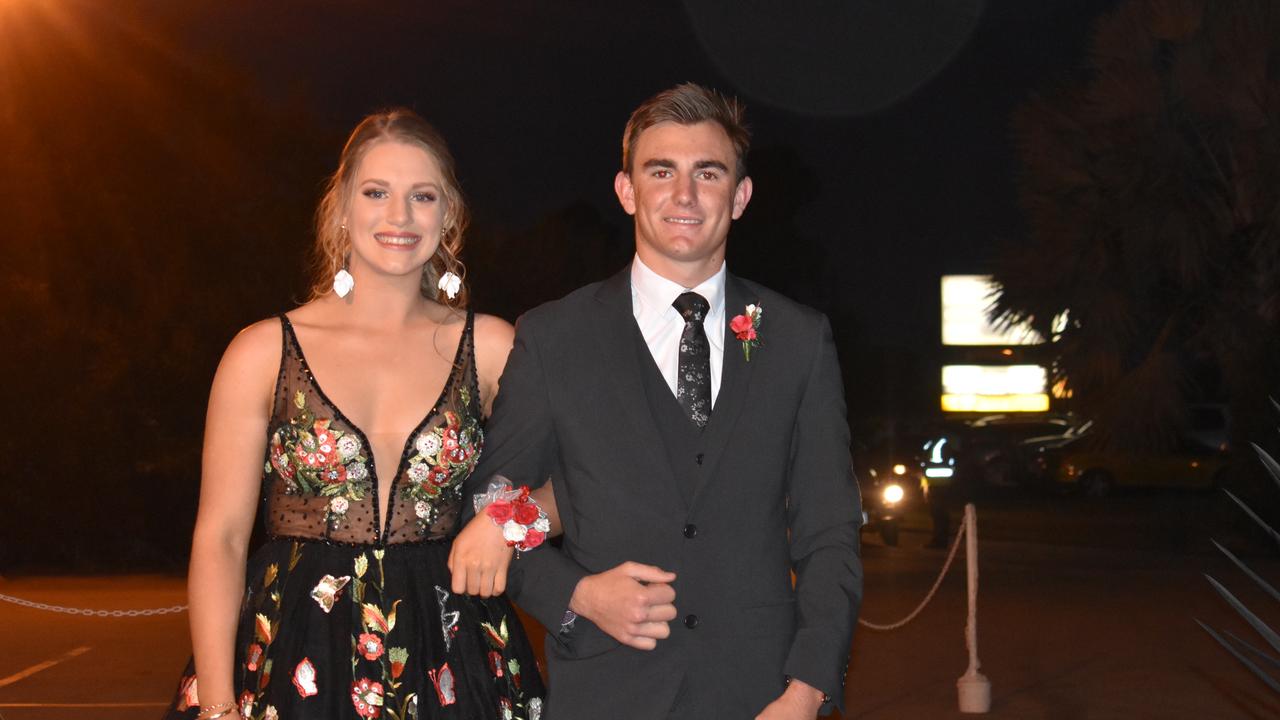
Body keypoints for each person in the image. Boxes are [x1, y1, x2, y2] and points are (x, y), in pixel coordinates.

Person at [449, 84, 863, 719]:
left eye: (709, 173)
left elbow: (829, 532)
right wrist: (577, 593)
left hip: (760, 694)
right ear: (627, 190)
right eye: (661, 170)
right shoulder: (554, 336)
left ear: (741, 196)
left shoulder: (799, 339)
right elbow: (494, 501)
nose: (685, 195)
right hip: (605, 689)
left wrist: (807, 690)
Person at [165, 109, 547, 720]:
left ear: (447, 215)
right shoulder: (261, 352)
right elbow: (222, 538)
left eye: (422, 196)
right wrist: (217, 704)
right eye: (377, 193)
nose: (399, 217)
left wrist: (506, 520)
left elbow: (579, 479)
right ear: (341, 208)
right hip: (291, 656)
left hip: (456, 656)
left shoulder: (494, 348)